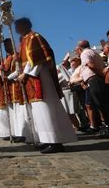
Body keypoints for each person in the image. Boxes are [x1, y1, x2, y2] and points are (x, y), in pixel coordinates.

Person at [13, 18, 76, 153]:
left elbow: (37, 59)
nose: (15, 29)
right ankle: (47, 139)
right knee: (38, 111)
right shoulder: (24, 41)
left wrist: (26, 73)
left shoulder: (34, 37)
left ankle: (55, 141)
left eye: (17, 26)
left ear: (25, 25)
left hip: (39, 77)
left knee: (45, 108)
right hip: (30, 78)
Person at [76, 40, 109, 137]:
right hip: (99, 79)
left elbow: (90, 65)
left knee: (102, 104)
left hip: (95, 79)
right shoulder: (94, 52)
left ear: (79, 48)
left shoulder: (84, 53)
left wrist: (101, 74)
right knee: (107, 103)